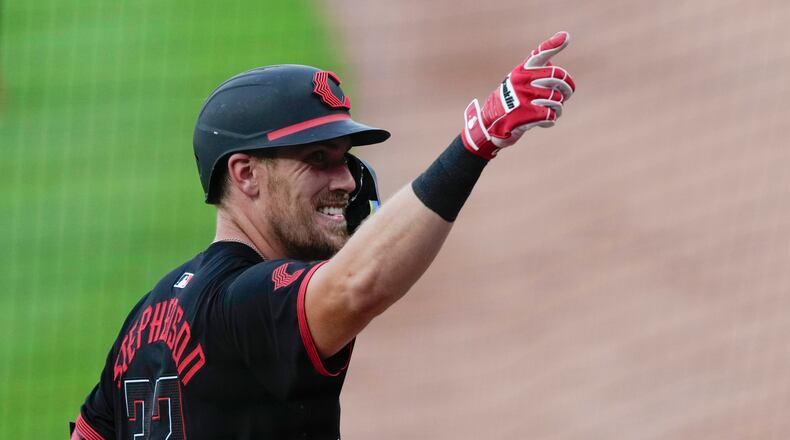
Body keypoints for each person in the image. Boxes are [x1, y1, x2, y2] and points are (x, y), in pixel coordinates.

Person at [70, 31, 576, 440]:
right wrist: (474, 144)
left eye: (344, 159)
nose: (348, 181)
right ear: (245, 174)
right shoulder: (246, 304)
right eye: (317, 160)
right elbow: (358, 285)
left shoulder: (145, 317)